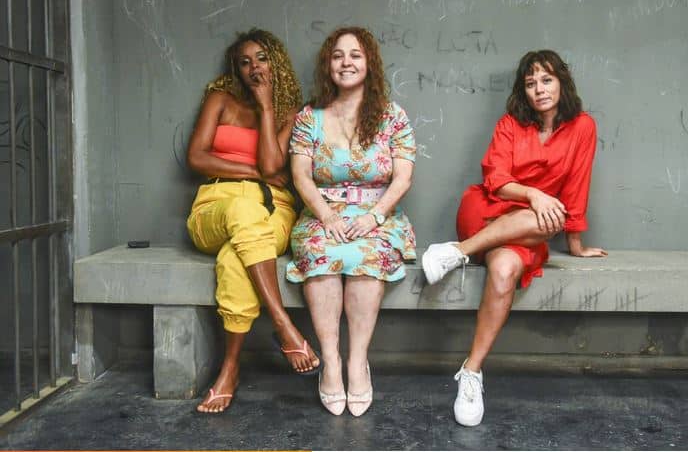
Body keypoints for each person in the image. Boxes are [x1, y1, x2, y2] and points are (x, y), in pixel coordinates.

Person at [421, 49, 607, 427]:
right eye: (530, 83)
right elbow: (496, 180)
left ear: (562, 82)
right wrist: (534, 195)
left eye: (546, 79)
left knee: (507, 266)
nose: (539, 89)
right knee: (544, 214)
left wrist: (576, 246)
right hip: (485, 211)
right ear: (523, 91)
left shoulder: (583, 127)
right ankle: (462, 247)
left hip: (529, 230)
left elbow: (576, 189)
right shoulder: (510, 124)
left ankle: (471, 372)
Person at [186, 28, 320, 413]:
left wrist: (265, 107)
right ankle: (284, 325)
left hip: (272, 211)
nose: (254, 67)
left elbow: (274, 165)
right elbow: (196, 157)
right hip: (214, 206)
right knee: (241, 214)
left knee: (233, 260)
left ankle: (230, 369)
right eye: (245, 62)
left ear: (275, 63)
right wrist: (253, 174)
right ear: (236, 68)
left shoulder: (290, 112)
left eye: (261, 58)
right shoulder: (220, 100)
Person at [287, 26, 416, 417]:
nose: (346, 62)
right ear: (328, 66)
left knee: (364, 257)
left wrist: (374, 217)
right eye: (338, 55)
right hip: (322, 214)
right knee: (321, 255)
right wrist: (326, 217)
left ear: (369, 63)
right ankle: (331, 362)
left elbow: (403, 176)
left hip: (377, 216)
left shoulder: (393, 116)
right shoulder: (310, 117)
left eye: (355, 55)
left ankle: (357, 362)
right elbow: (300, 176)